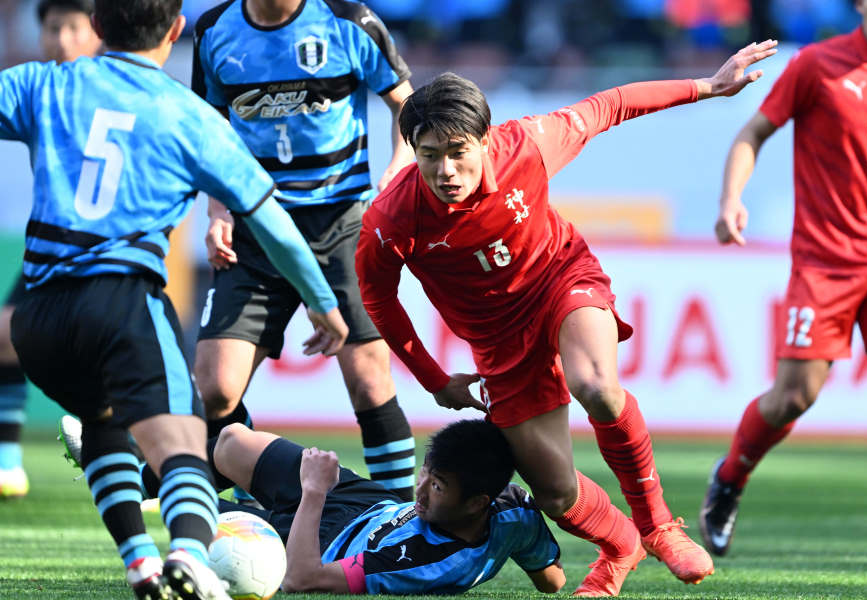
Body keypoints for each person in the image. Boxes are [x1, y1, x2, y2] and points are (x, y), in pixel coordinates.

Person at [355, 42, 779, 596]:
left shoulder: (527, 144)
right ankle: (620, 546)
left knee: (597, 386)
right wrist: (436, 381)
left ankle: (657, 526)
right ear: (412, 148)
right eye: (429, 154)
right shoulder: (389, 221)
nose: (445, 170)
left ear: (485, 140)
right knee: (554, 494)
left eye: (458, 151)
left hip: (560, 281)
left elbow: (611, 104)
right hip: (498, 341)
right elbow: (380, 301)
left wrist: (705, 86)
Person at [0, 0, 348, 598]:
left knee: (103, 424)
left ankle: (140, 562)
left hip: (36, 313)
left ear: (98, 27)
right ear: (176, 31)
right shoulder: (191, 117)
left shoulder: (42, 83)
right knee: (188, 436)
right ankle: (188, 555)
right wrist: (321, 299)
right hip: (121, 301)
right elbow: (271, 223)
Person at [191, 0, 418, 503]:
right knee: (214, 389)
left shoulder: (350, 22)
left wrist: (399, 169)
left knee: (368, 381)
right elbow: (209, 131)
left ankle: (403, 522)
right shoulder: (213, 30)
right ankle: (249, 482)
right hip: (255, 226)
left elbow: (407, 104)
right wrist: (217, 210)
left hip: (340, 222)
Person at [701, 0, 867, 561]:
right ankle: (730, 479)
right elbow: (752, 134)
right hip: (826, 261)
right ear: (860, 5)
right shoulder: (818, 64)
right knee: (795, 397)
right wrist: (731, 199)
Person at [135, 419, 565, 595]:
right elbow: (551, 579)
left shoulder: (424, 562)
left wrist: (314, 492)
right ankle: (134, 478)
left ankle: (122, 481)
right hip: (366, 503)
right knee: (232, 441)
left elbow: (302, 579)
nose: (421, 488)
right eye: (426, 473)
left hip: (321, 544)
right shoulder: (514, 509)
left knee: (205, 511)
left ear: (475, 503)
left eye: (435, 486)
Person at [0, 0, 102, 501]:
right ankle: (6, 462)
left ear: (97, 33)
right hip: (50, 251)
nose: (62, 38)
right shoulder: (37, 88)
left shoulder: (120, 91)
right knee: (3, 335)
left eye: (73, 27)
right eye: (53, 27)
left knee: (120, 371)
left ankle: (138, 460)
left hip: (115, 253)